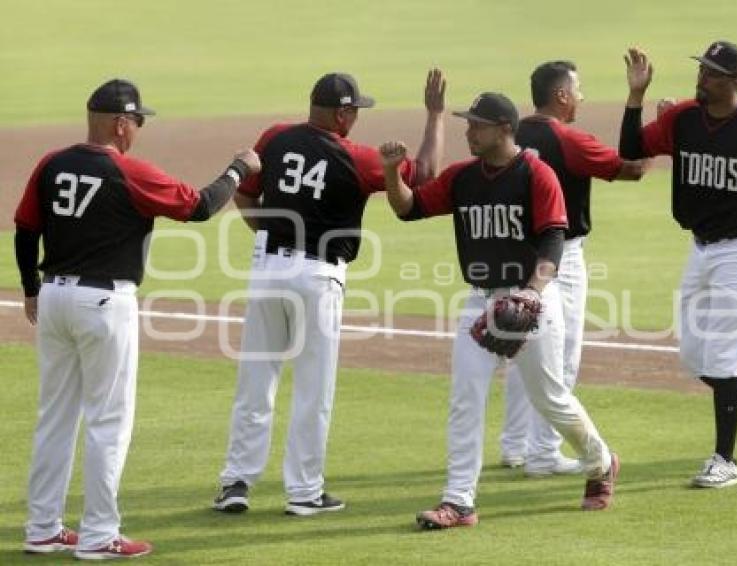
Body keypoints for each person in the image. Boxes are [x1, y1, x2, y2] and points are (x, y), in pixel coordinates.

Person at [14, 78, 260, 559]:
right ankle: (100, 534)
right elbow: (199, 207)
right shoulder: (128, 172)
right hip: (104, 305)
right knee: (109, 422)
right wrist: (238, 169)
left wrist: (29, 288)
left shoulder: (52, 163)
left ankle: (42, 528)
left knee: (55, 419)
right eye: (138, 121)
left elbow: (25, 229)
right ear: (120, 124)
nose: (139, 130)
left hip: (56, 299)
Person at [379, 92, 620, 529]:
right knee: (465, 397)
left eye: (477, 125)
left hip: (532, 300)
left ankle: (601, 463)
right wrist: (393, 173)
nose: (468, 131)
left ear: (504, 129)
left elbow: (552, 240)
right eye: (468, 123)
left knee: (550, 399)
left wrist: (532, 292)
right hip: (481, 300)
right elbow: (408, 208)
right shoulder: (462, 177)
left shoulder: (536, 174)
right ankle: (458, 501)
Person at [213, 70, 445, 516]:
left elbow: (245, 193)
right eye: (355, 111)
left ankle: (235, 483)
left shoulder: (275, 137)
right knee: (312, 390)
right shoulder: (357, 158)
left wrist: (269, 234)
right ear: (341, 113)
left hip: (268, 270)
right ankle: (303, 493)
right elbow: (427, 173)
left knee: (255, 383)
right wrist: (434, 114)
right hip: (318, 277)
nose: (357, 118)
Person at [619, 41, 737, 487]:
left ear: (736, 82)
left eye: (713, 73)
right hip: (701, 248)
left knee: (721, 356)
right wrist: (636, 97)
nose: (702, 78)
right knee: (693, 356)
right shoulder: (683, 118)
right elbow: (630, 147)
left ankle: (725, 461)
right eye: (702, 70)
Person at [500, 61, 647, 476]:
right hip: (559, 257)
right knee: (561, 356)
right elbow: (631, 170)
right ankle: (544, 454)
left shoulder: (513, 133)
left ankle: (514, 445)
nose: (582, 96)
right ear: (561, 95)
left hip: (515, 255)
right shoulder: (567, 138)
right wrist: (651, 130)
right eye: (577, 89)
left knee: (522, 348)